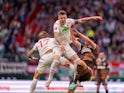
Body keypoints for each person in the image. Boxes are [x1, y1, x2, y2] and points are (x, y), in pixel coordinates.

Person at [45, 10, 102, 87]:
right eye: (61, 18)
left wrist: (94, 18)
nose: (62, 20)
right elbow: (56, 36)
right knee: (55, 61)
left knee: (78, 62)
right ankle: (49, 80)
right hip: (57, 45)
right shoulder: (56, 24)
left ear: (66, 17)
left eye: (64, 18)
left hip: (66, 45)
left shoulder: (69, 21)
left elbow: (82, 20)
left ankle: (76, 80)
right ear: (58, 18)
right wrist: (61, 44)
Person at [68, 28, 99, 93]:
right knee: (70, 88)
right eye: (86, 40)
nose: (86, 41)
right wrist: (70, 32)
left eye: (88, 40)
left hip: (88, 70)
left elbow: (89, 41)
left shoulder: (94, 47)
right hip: (80, 72)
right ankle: (76, 82)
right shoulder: (83, 47)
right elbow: (74, 41)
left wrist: (78, 33)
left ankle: (75, 81)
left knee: (79, 62)